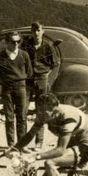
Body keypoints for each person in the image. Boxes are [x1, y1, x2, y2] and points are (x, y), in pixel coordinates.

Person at [8, 94, 88, 176]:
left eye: (44, 112)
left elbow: (60, 149)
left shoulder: (68, 117)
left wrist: (35, 156)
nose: (41, 116)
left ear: (55, 109)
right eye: (39, 111)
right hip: (71, 144)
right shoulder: (45, 114)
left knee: (50, 163)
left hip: (85, 147)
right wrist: (14, 148)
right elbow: (31, 134)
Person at [22, 22, 60, 150]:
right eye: (33, 30)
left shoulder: (48, 46)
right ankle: (23, 142)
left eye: (38, 30)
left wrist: (47, 77)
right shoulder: (26, 45)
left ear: (43, 31)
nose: (36, 33)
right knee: (23, 110)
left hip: (42, 79)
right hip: (27, 80)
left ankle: (39, 142)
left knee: (41, 110)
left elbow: (55, 64)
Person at [0, 31, 33, 147]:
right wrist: (5, 82)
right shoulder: (0, 56)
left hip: (21, 88)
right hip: (7, 89)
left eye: (18, 41)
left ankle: (21, 145)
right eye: (13, 42)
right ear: (6, 42)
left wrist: (20, 81)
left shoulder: (24, 55)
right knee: (9, 118)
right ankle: (11, 145)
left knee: (22, 117)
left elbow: (29, 73)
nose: (16, 44)